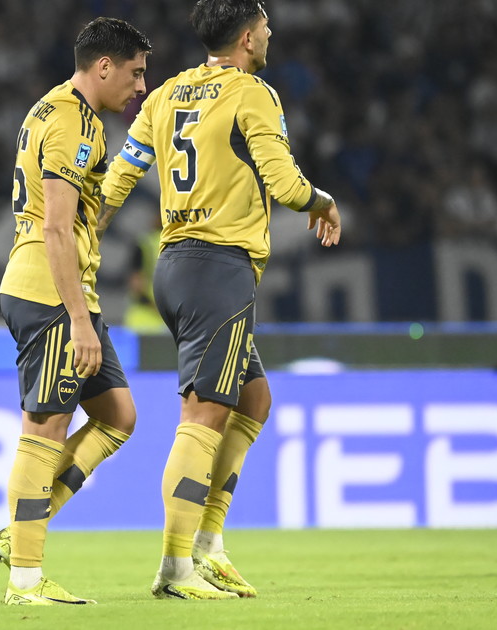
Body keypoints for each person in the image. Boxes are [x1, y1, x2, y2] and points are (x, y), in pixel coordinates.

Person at [98, 0, 342, 600]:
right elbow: (284, 185)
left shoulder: (166, 94)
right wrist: (322, 200)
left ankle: (208, 542)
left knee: (253, 399)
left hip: (174, 269)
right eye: (264, 23)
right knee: (202, 415)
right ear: (247, 38)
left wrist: (82, 230)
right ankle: (176, 566)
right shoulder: (253, 94)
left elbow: (120, 177)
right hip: (218, 269)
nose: (270, 31)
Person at [0, 17, 151, 606]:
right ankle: (25, 579)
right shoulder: (71, 123)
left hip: (65, 289)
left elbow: (81, 215)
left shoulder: (57, 111)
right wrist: (79, 321)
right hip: (50, 292)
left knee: (118, 416)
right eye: (135, 72)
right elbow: (57, 228)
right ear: (103, 67)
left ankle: (20, 531)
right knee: (45, 427)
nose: (141, 86)